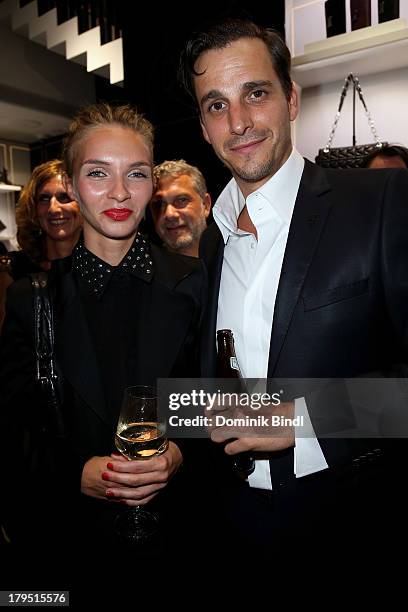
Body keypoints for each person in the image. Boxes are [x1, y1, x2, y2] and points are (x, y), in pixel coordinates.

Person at [179, 18, 408, 557]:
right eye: (216, 105)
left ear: (291, 99)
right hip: (232, 519)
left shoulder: (380, 203)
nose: (238, 122)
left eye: (255, 93)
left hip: (354, 522)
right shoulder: (212, 238)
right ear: (204, 127)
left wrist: (306, 416)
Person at [0, 103, 204, 584]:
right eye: (97, 173)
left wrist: (182, 452)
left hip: (185, 545)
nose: (118, 192)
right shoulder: (34, 303)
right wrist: (72, 473)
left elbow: (219, 397)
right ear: (69, 185)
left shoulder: (196, 283)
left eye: (135, 174)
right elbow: (12, 435)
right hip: (75, 554)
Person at [0, 160, 82, 331]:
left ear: (84, 205)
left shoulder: (100, 268)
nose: (53, 208)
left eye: (64, 197)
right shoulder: (12, 271)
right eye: (44, 199)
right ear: (34, 210)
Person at [150, 159, 211, 257]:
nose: (169, 214)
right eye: (159, 204)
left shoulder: (238, 256)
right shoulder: (142, 270)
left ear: (205, 205)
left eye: (181, 200)